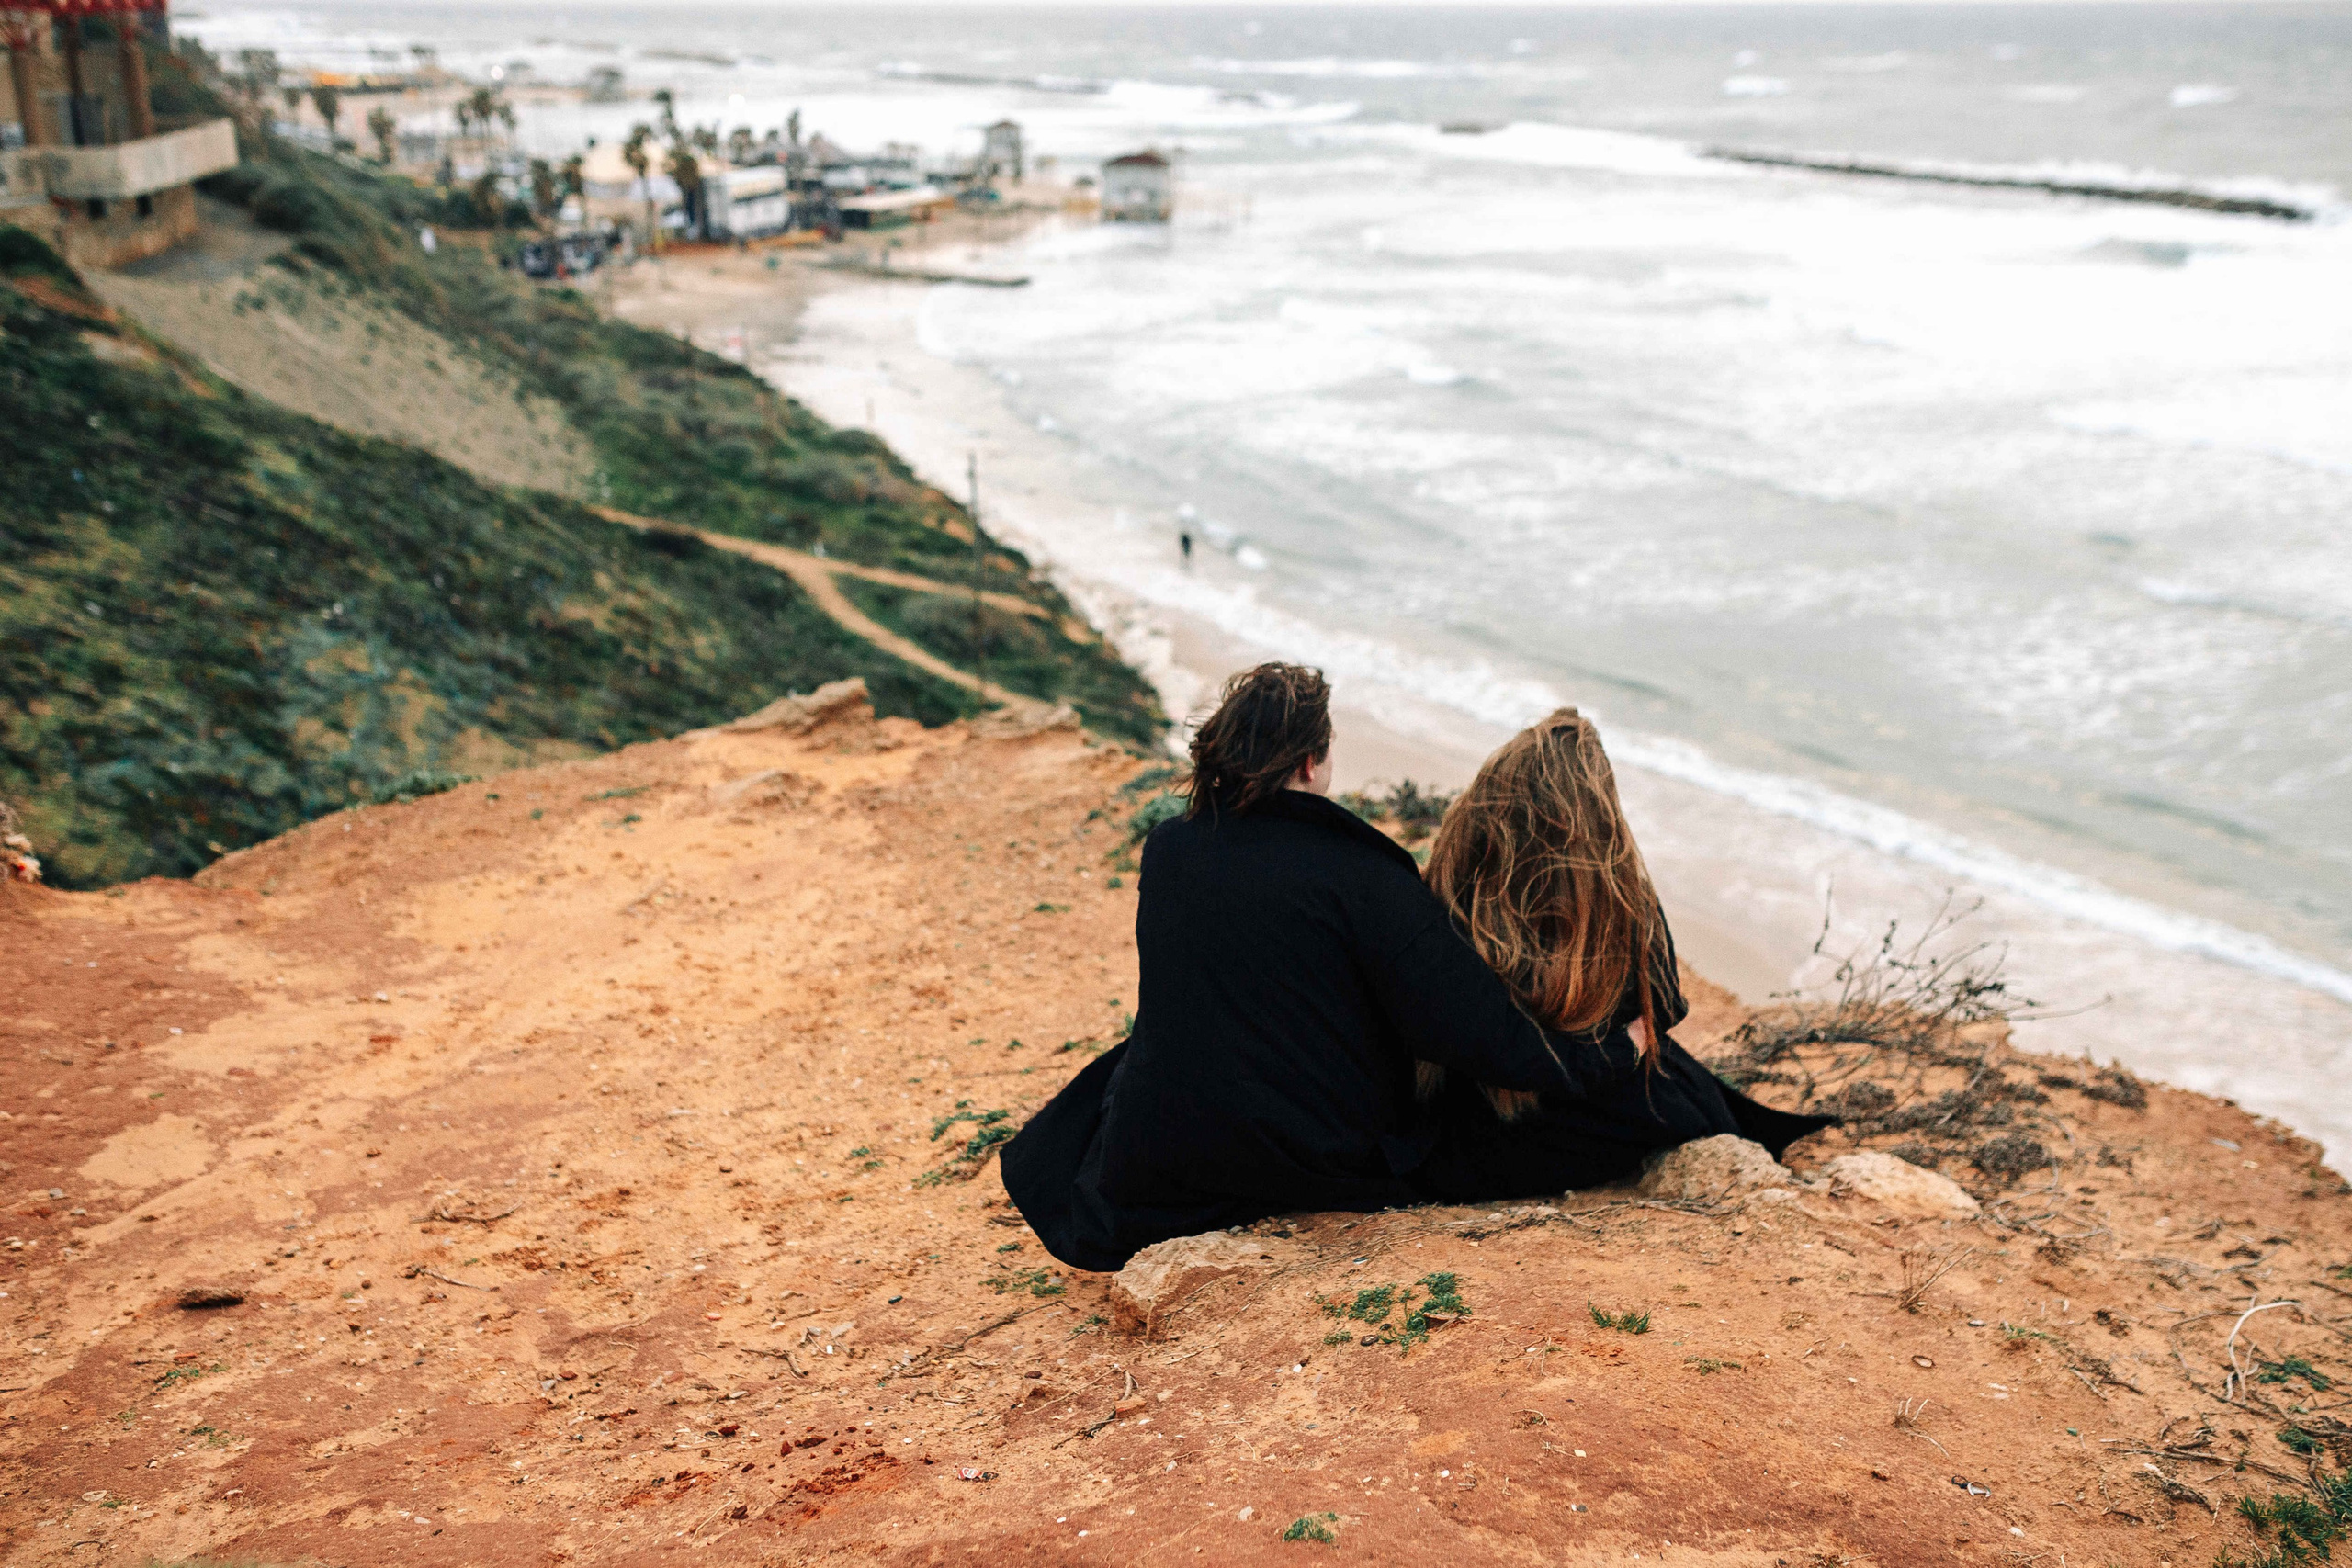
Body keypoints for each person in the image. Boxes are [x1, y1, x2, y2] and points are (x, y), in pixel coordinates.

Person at [1001, 665, 1824, 1272]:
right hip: (1310, 1147)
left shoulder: (1171, 847)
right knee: (1630, 1094)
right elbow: (1486, 1041)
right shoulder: (1363, 878)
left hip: (1165, 1139)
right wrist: (1618, 1051)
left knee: (1159, 1051)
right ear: (1313, 763)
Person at [1407, 708, 1830, 1200]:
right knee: (1689, 1102)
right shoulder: (1616, 894)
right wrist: (1622, 1041)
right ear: (1598, 807)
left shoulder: (1452, 879)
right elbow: (1665, 1005)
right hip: (1559, 1105)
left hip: (1463, 1100)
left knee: (1681, 1081)